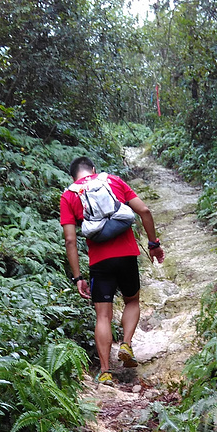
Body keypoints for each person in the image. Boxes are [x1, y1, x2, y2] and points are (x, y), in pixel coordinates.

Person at [60, 156, 165, 386]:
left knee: (103, 316)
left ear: (73, 177)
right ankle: (126, 344)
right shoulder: (113, 181)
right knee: (132, 301)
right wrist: (153, 244)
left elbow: (70, 240)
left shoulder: (69, 196)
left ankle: (106, 371)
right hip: (127, 255)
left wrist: (78, 277)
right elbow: (144, 211)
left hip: (100, 262)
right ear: (94, 169)